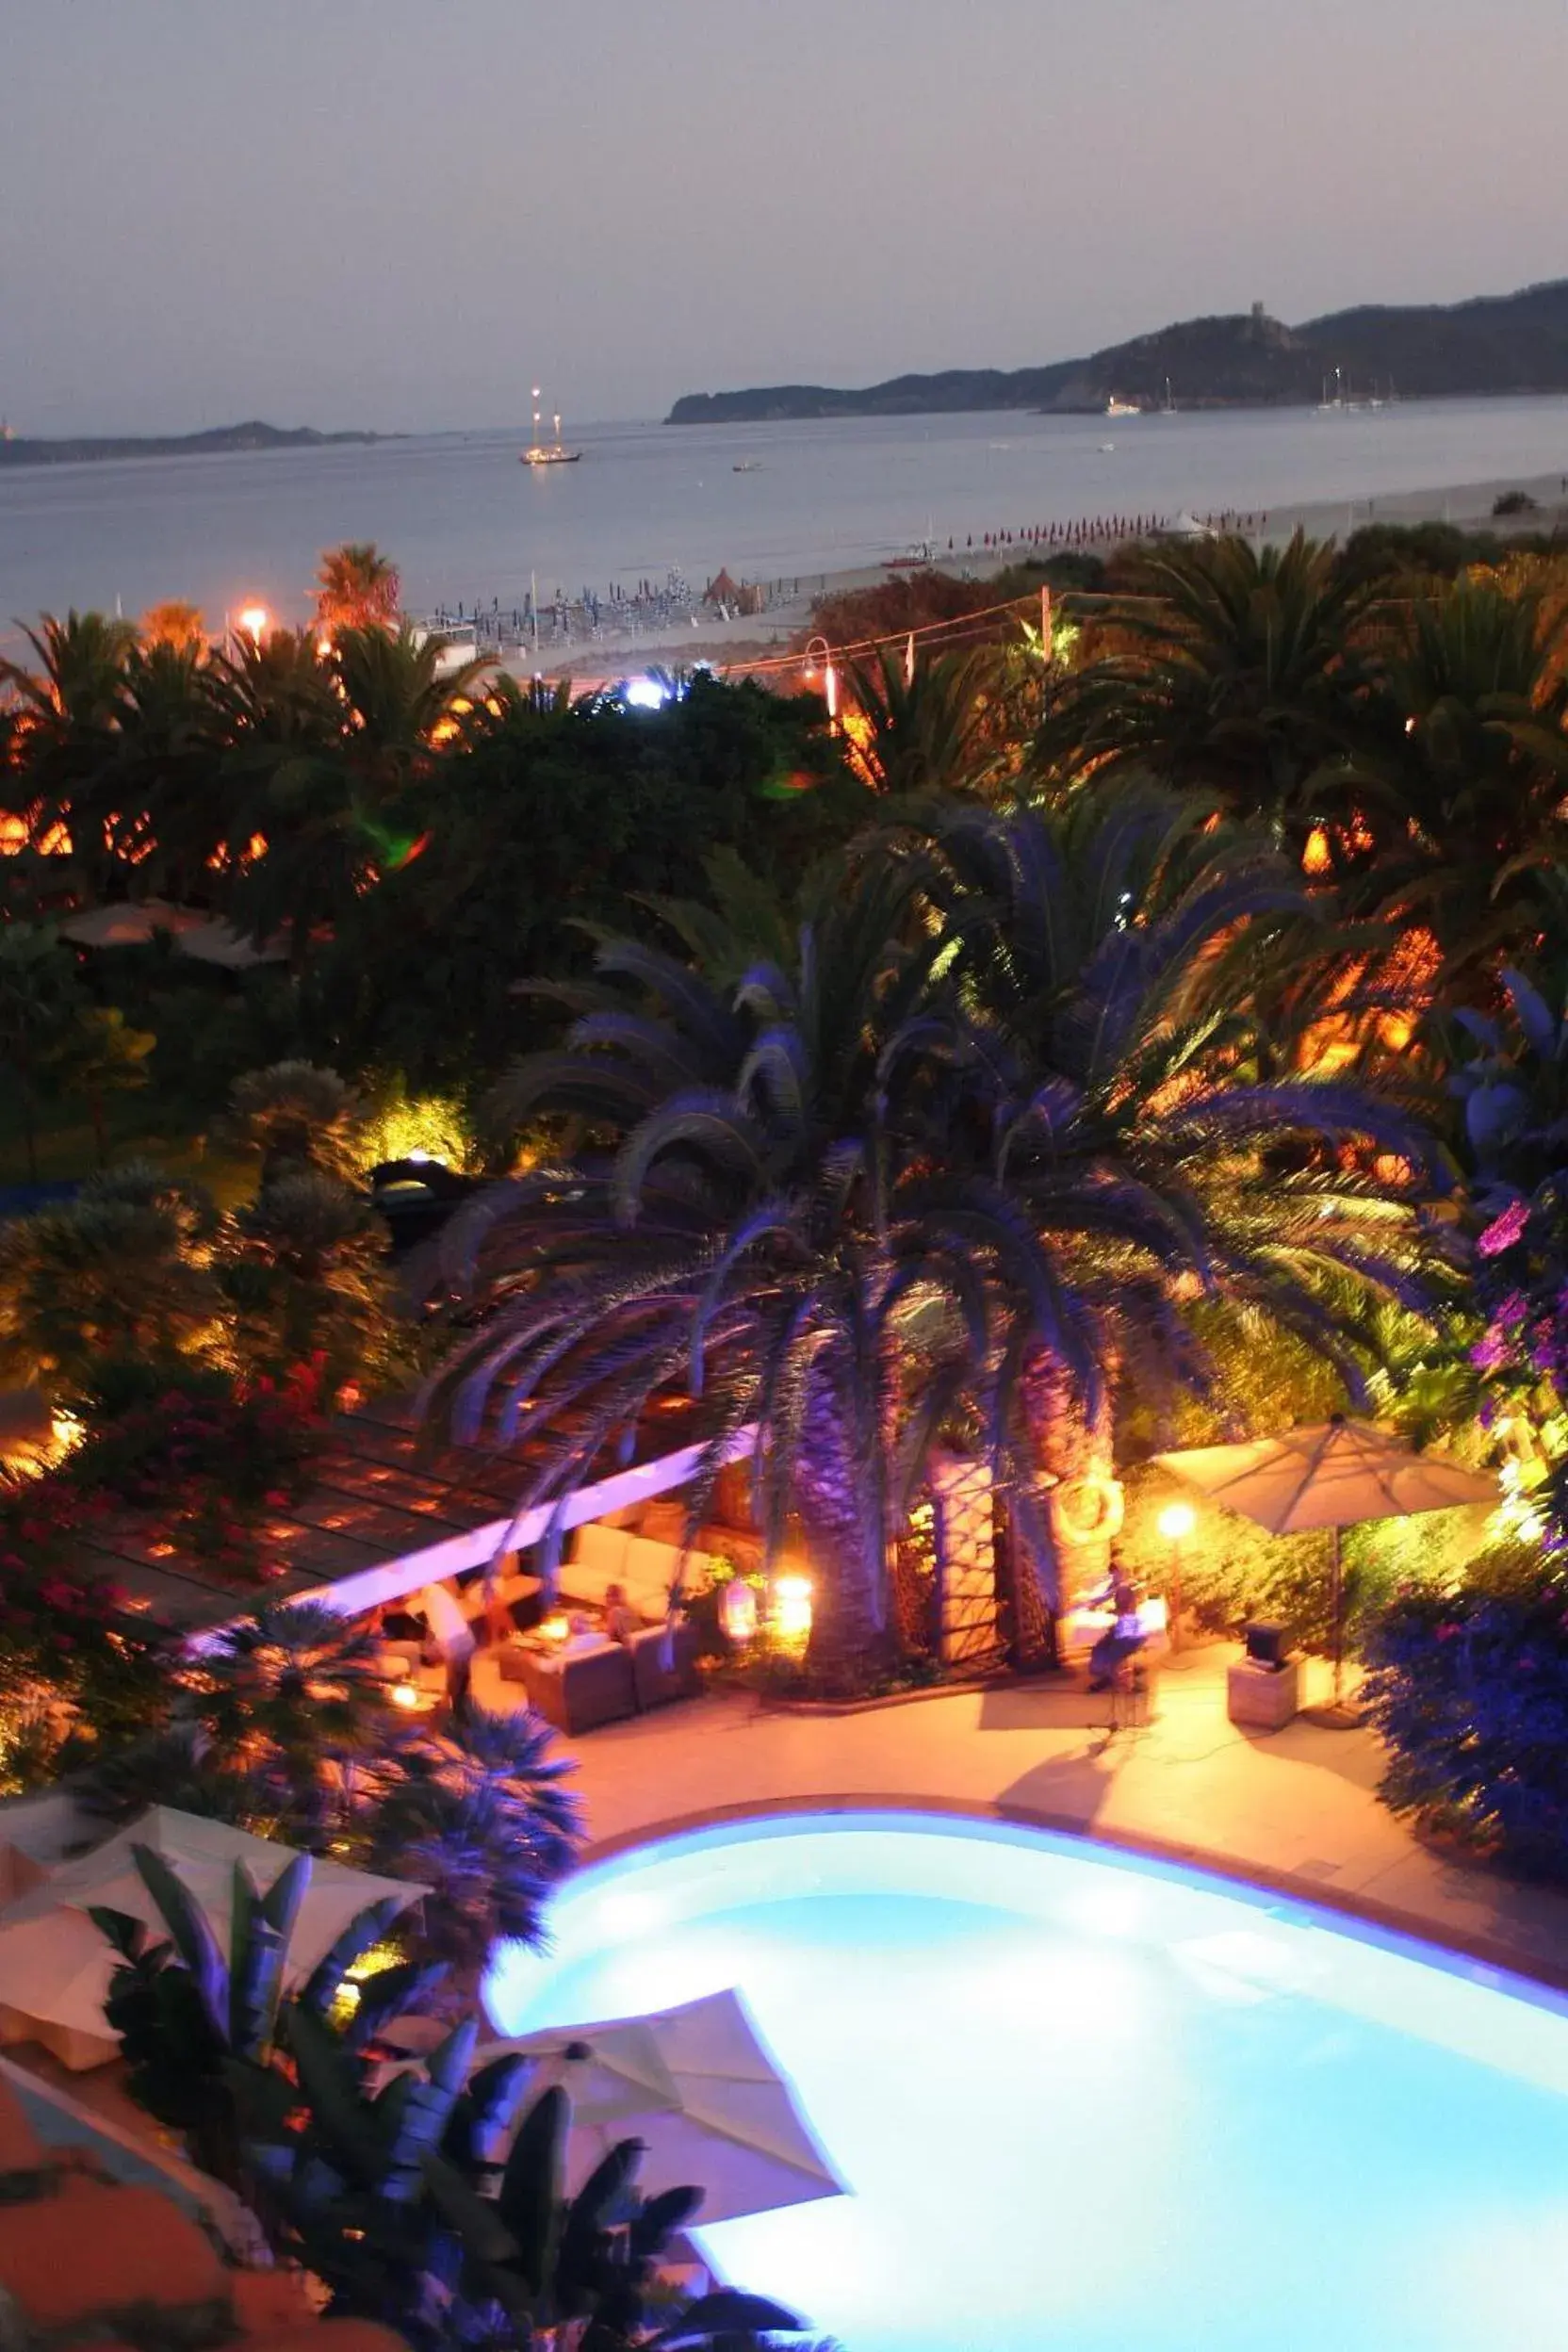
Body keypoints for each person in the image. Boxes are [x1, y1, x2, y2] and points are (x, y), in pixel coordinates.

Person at [1086, 1568, 1145, 1693]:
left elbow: (1125, 1609)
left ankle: (1123, 1680)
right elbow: (1115, 1602)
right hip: (1128, 1628)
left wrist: (1105, 1608)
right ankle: (1114, 1676)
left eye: (1114, 1574)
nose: (1113, 1576)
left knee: (1108, 1650)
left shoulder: (1124, 1588)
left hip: (1128, 1630)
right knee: (1103, 1646)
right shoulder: (1124, 1587)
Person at [602, 1580, 638, 1647]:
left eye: (612, 1596)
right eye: (607, 1596)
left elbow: (610, 1638)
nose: (608, 1599)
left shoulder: (615, 1612)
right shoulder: (630, 1611)